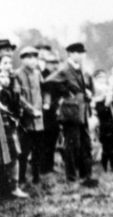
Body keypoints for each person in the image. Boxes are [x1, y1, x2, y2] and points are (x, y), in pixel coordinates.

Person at [44, 43, 97, 187]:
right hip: (70, 113)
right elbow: (47, 82)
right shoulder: (65, 69)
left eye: (82, 53)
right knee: (72, 146)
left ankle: (86, 176)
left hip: (82, 111)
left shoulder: (80, 69)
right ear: (71, 54)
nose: (82, 55)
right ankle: (72, 179)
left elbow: (84, 87)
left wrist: (86, 93)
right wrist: (66, 91)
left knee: (85, 145)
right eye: (79, 53)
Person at [15, 47, 45, 186]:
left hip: (39, 119)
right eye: (28, 57)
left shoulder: (38, 73)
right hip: (26, 119)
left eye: (34, 57)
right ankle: (21, 178)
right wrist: (31, 110)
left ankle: (37, 177)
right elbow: (18, 96)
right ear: (22, 59)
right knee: (24, 150)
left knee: (38, 149)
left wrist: (46, 104)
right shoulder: (18, 75)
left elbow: (45, 90)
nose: (32, 60)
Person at [0, 55, 28, 198]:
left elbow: (17, 101)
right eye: (4, 62)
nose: (8, 65)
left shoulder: (13, 81)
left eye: (10, 63)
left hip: (10, 123)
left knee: (14, 153)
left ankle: (14, 187)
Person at [38, 46, 61, 174]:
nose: (55, 65)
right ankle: (43, 167)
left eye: (57, 62)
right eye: (52, 63)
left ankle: (50, 166)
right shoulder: (43, 75)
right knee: (44, 140)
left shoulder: (58, 76)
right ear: (46, 63)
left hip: (55, 112)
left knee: (52, 139)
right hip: (44, 112)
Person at [93, 70, 113, 172]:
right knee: (106, 148)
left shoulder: (109, 93)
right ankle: (105, 167)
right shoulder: (96, 98)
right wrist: (105, 104)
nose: (102, 79)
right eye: (100, 77)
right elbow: (98, 112)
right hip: (104, 125)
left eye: (104, 77)